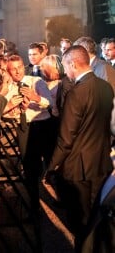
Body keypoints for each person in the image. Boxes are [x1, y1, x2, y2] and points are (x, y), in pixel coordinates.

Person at [46, 45, 114, 251]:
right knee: (96, 219)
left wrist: (51, 166)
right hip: (101, 162)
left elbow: (66, 138)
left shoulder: (76, 92)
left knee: (79, 223)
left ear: (73, 64)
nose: (65, 72)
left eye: (66, 66)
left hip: (78, 168)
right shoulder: (105, 86)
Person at [3, 54, 53, 212]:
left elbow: (50, 103)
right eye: (13, 69)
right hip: (23, 127)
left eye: (19, 68)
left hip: (42, 125)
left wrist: (35, 98)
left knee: (51, 162)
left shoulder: (36, 81)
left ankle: (59, 195)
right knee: (30, 166)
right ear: (8, 71)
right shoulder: (7, 88)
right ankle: (34, 203)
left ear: (24, 66)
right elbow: (3, 114)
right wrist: (17, 109)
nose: (17, 72)